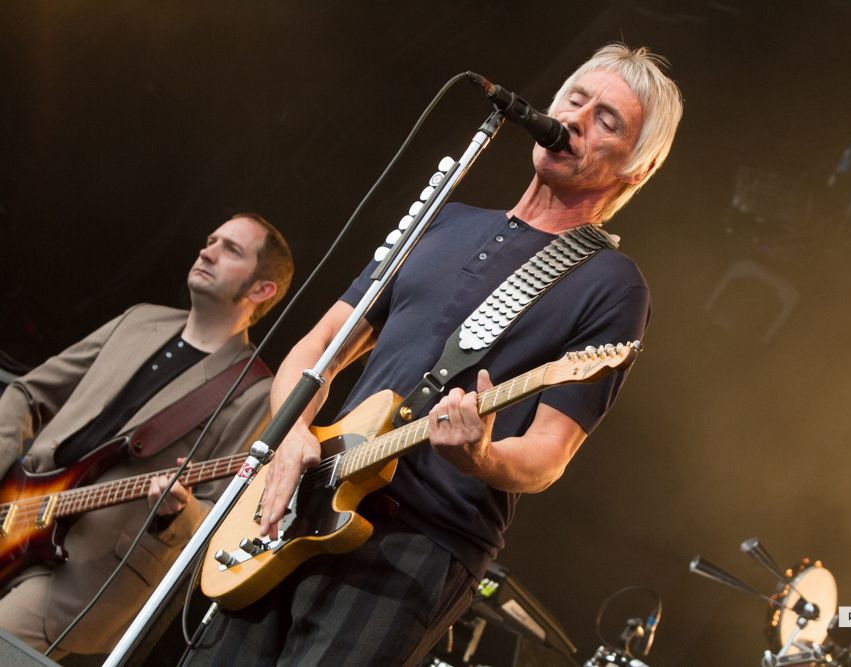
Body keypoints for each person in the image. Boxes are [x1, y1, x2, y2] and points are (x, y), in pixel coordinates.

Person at [187, 43, 683, 666]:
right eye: (575, 100)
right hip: (299, 501)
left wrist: (479, 456)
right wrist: (291, 436)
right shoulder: (444, 220)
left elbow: (548, 457)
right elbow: (317, 350)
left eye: (607, 120)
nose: (578, 120)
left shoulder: (612, 283)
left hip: (414, 547)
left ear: (638, 167)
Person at [0, 213, 294, 659]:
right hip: (16, 508)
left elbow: (218, 518)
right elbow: (29, 392)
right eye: (211, 239)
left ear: (261, 290)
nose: (207, 250)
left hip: (81, 576)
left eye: (230, 249)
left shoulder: (255, 391)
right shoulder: (141, 320)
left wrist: (180, 510)